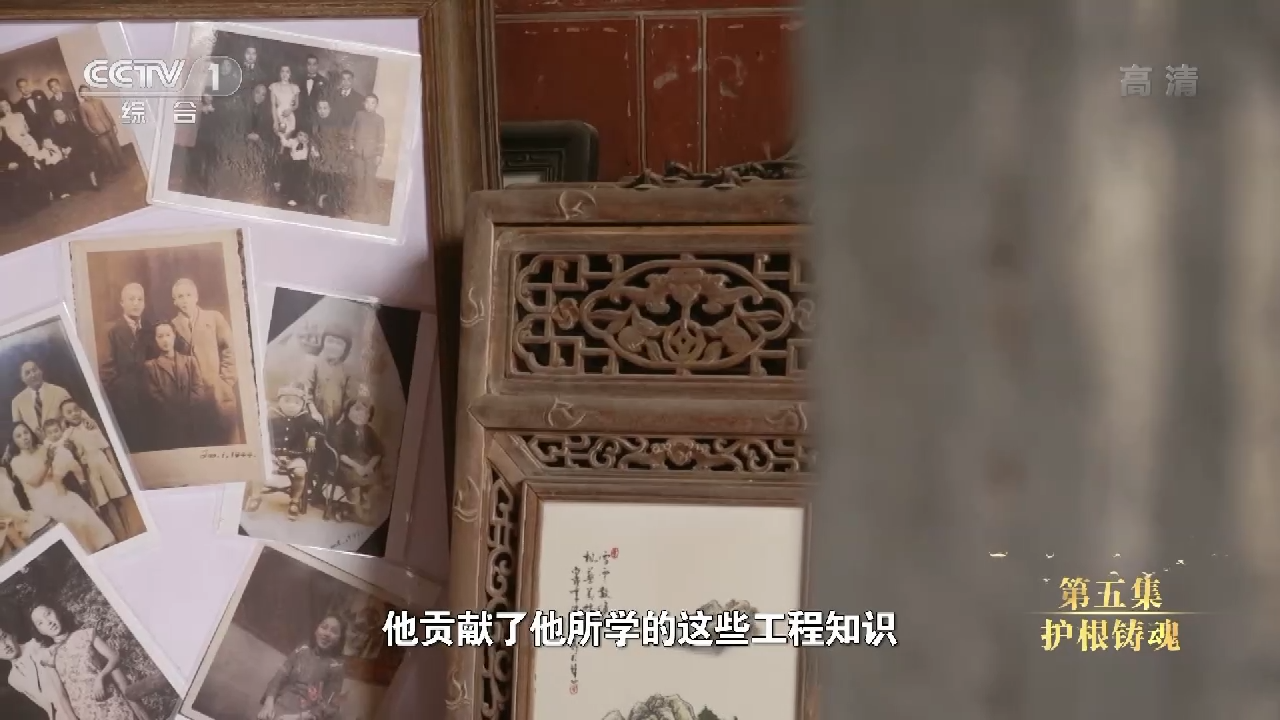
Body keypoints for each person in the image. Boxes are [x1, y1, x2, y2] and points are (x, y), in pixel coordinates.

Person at [29, 601, 151, 720]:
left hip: (113, 704)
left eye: (48, 614)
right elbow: (62, 695)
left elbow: (114, 657)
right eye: (40, 623)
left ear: (57, 612)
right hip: (85, 713)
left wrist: (100, 677)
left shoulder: (86, 635)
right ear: (40, 631)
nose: (48, 622)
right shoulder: (49, 657)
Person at [8, 422, 114, 553]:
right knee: (70, 517)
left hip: (58, 490)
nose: (24, 437)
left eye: (26, 432)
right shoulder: (16, 461)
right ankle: (88, 551)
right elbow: (35, 482)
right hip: (41, 499)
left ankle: (102, 546)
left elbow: (61, 462)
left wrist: (69, 450)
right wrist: (48, 462)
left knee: (79, 505)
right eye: (18, 436)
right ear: (14, 441)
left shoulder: (42, 448)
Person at [60, 399, 141, 542]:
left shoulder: (90, 425)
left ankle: (129, 533)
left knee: (118, 499)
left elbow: (106, 447)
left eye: (76, 409)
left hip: (103, 463)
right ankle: (118, 537)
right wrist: (69, 447)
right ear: (64, 417)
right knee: (103, 505)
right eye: (69, 412)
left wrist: (115, 467)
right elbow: (67, 455)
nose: (74, 414)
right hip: (89, 469)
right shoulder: (67, 435)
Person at [170, 278, 239, 445]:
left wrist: (226, 381)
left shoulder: (214, 318)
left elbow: (230, 349)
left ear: (196, 297)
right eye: (180, 296)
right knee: (201, 439)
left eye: (188, 295)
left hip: (218, 388)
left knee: (226, 437)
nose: (185, 300)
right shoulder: (173, 325)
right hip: (192, 394)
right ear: (175, 301)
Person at [248, 383, 322, 517]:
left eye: (297, 403)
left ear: (302, 404)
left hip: (295, 456)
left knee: (300, 472)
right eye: (287, 401)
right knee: (259, 467)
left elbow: (317, 429)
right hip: (272, 454)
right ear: (279, 402)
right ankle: (255, 496)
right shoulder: (272, 415)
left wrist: (313, 437)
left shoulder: (304, 417)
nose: (291, 406)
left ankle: (295, 500)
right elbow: (259, 428)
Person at [256, 615, 347, 720]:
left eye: (334, 631)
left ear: (340, 639)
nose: (327, 634)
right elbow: (280, 676)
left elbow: (328, 705)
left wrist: (295, 718)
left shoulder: (336, 667)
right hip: (282, 703)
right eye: (324, 627)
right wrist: (268, 704)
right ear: (316, 630)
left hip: (307, 715)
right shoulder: (302, 650)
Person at [99, 282, 153, 450]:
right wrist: (120, 396)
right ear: (122, 303)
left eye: (140, 299)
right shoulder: (112, 331)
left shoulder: (149, 329)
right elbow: (106, 371)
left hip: (149, 399)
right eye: (131, 299)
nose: (136, 303)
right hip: (123, 401)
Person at [144, 321, 207, 451]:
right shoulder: (151, 366)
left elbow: (198, 389)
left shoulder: (190, 361)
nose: (165, 340)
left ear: (174, 336)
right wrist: (174, 413)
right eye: (160, 336)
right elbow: (153, 396)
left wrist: (186, 409)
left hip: (191, 421)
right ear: (155, 340)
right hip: (167, 424)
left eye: (168, 335)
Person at [0, 616, 74, 720]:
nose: (4, 645)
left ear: (13, 635)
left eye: (4, 637)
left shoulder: (38, 643)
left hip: (76, 700)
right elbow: (45, 704)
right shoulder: (13, 679)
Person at [332, 385, 384, 525]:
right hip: (345, 465)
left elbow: (378, 452)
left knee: (377, 481)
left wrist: (369, 466)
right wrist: (357, 467)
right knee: (354, 480)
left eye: (366, 412)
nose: (361, 414)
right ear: (348, 410)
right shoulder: (342, 429)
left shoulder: (369, 431)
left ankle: (360, 501)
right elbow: (340, 453)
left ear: (370, 416)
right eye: (357, 409)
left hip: (365, 464)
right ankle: (351, 507)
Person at [302, 329, 352, 430]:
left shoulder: (346, 370)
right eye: (330, 341)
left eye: (339, 344)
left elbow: (348, 398)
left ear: (345, 349)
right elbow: (306, 391)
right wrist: (314, 412)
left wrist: (344, 415)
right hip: (314, 416)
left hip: (337, 421)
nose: (333, 346)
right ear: (323, 342)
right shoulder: (313, 364)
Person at [11, 361, 72, 444]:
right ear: (23, 378)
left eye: (34, 370)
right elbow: (17, 430)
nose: (33, 375)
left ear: (41, 371)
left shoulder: (60, 392)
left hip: (63, 443)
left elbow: (76, 414)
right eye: (27, 373)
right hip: (36, 448)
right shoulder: (17, 401)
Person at [0, 465, 51, 560]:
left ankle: (33, 559)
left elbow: (13, 497)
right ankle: (32, 559)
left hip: (15, 512)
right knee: (10, 534)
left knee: (11, 538)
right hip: (5, 517)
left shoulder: (3, 471)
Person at [309, 99, 348, 217]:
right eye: (319, 108)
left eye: (325, 108)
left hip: (333, 156)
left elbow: (343, 139)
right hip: (320, 156)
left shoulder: (336, 122)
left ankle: (335, 204)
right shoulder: (316, 122)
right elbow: (313, 138)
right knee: (321, 180)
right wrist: (313, 148)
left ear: (330, 109)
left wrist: (339, 153)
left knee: (334, 180)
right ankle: (319, 203)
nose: (322, 111)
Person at [349, 94, 385, 217]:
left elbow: (381, 138)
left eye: (373, 103)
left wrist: (379, 155)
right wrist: (351, 145)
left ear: (376, 105)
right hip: (358, 153)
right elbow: (352, 131)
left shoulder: (379, 119)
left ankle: (370, 206)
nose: (369, 105)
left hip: (372, 155)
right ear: (364, 103)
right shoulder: (358, 115)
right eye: (367, 102)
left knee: (370, 180)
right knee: (359, 179)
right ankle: (357, 205)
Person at [77, 84, 124, 174]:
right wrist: (93, 131)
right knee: (109, 151)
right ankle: (116, 168)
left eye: (87, 90)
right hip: (99, 132)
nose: (86, 93)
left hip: (109, 127)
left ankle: (123, 165)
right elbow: (85, 121)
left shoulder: (99, 101)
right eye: (83, 92)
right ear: (81, 95)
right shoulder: (82, 106)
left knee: (117, 147)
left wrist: (113, 124)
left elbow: (107, 113)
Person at [47, 108, 98, 192]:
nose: (60, 118)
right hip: (67, 152)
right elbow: (57, 143)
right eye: (57, 116)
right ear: (54, 118)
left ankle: (93, 179)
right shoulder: (54, 131)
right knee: (74, 160)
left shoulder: (73, 125)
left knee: (85, 156)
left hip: (79, 147)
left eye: (61, 115)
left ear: (65, 115)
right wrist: (63, 149)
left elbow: (80, 138)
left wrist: (71, 147)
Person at [279, 129, 312, 208]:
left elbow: (315, 153)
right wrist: (281, 136)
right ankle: (292, 198)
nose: (301, 137)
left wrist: (314, 153)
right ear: (297, 135)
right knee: (293, 181)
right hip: (294, 163)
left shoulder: (308, 145)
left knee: (301, 181)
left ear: (307, 138)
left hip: (303, 164)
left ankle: (300, 198)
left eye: (304, 136)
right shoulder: (293, 141)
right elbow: (285, 143)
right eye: (299, 135)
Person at [269, 65, 300, 145]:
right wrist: (275, 121)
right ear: (279, 73)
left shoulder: (294, 87)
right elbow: (273, 105)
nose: (284, 74)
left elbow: (296, 105)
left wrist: (290, 110)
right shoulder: (274, 86)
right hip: (279, 115)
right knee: (280, 138)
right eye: (282, 71)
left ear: (290, 73)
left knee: (286, 139)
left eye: (287, 71)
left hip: (289, 115)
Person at [296, 55, 327, 130]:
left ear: (317, 65)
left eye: (314, 64)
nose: (311, 67)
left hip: (317, 119)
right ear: (306, 65)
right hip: (301, 118)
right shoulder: (299, 80)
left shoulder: (324, 81)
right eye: (309, 64)